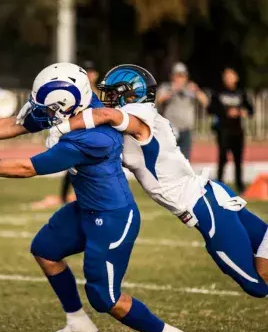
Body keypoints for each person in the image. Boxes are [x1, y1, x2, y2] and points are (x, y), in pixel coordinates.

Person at [0, 63, 187, 332]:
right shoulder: (79, 104)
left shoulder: (94, 138)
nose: (42, 113)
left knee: (105, 299)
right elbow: (18, 123)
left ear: (66, 105)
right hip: (86, 207)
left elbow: (28, 167)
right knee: (45, 249)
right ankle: (78, 325)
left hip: (112, 218)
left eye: (47, 108)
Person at [47, 64, 268, 299]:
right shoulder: (140, 115)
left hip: (205, 208)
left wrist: (61, 128)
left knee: (257, 285)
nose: (108, 99)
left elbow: (105, 114)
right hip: (209, 195)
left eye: (112, 93)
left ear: (130, 94)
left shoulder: (138, 116)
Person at [29, 61, 99, 210]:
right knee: (72, 168)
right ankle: (65, 196)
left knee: (82, 168)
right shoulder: (75, 93)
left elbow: (27, 167)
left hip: (88, 135)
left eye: (92, 71)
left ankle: (83, 196)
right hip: (75, 134)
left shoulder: (94, 96)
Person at [208, 68, 253, 193]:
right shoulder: (218, 92)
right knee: (222, 158)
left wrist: (241, 112)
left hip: (237, 130)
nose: (229, 78)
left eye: (231, 76)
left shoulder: (241, 92)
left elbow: (250, 110)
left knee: (239, 159)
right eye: (226, 76)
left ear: (236, 78)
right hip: (223, 130)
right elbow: (210, 109)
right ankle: (219, 184)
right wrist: (226, 113)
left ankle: (240, 186)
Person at [157, 62, 209, 160]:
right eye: (177, 75)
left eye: (182, 76)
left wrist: (196, 91)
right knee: (169, 159)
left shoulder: (191, 88)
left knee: (185, 160)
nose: (180, 79)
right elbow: (159, 100)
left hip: (186, 129)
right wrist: (172, 90)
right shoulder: (166, 87)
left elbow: (205, 101)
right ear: (172, 76)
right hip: (170, 129)